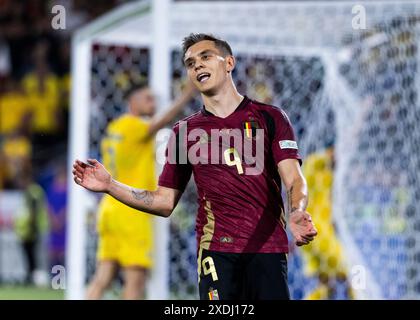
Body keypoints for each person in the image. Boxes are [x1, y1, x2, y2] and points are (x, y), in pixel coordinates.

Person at [73, 33, 317, 300]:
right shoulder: (184, 132)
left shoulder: (271, 117)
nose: (197, 65)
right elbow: (164, 201)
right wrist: (110, 185)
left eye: (205, 57)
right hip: (216, 254)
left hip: (267, 248)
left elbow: (294, 179)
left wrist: (296, 211)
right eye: (190, 63)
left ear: (229, 63)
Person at [85, 80, 196, 300]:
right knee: (135, 280)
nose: (152, 103)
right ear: (132, 101)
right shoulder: (134, 126)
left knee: (103, 277)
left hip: (109, 209)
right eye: (147, 98)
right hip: (131, 209)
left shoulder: (114, 128)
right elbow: (165, 120)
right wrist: (189, 93)